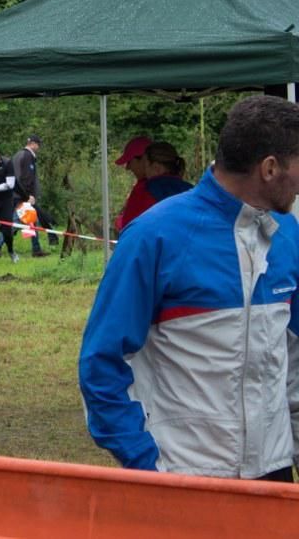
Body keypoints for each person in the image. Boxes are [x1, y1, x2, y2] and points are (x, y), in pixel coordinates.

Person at [79, 95, 299, 480]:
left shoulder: (288, 236)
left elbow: (295, 359)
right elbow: (101, 363)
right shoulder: (153, 237)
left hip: (272, 473)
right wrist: (147, 464)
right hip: (186, 476)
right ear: (269, 168)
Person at [119, 142, 193, 229]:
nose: (145, 173)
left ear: (156, 168)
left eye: (146, 167)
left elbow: (129, 228)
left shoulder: (144, 191)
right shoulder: (192, 191)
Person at [12, 134, 53, 257]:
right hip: (23, 196)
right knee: (16, 222)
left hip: (16, 193)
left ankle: (36, 249)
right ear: (33, 144)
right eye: (38, 144)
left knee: (31, 221)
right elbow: (27, 179)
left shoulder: (18, 155)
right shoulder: (28, 156)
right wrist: (29, 196)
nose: (38, 147)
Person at [113, 136, 151, 233]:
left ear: (144, 159)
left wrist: (119, 221)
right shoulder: (178, 187)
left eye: (129, 161)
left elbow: (130, 225)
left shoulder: (144, 190)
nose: (127, 167)